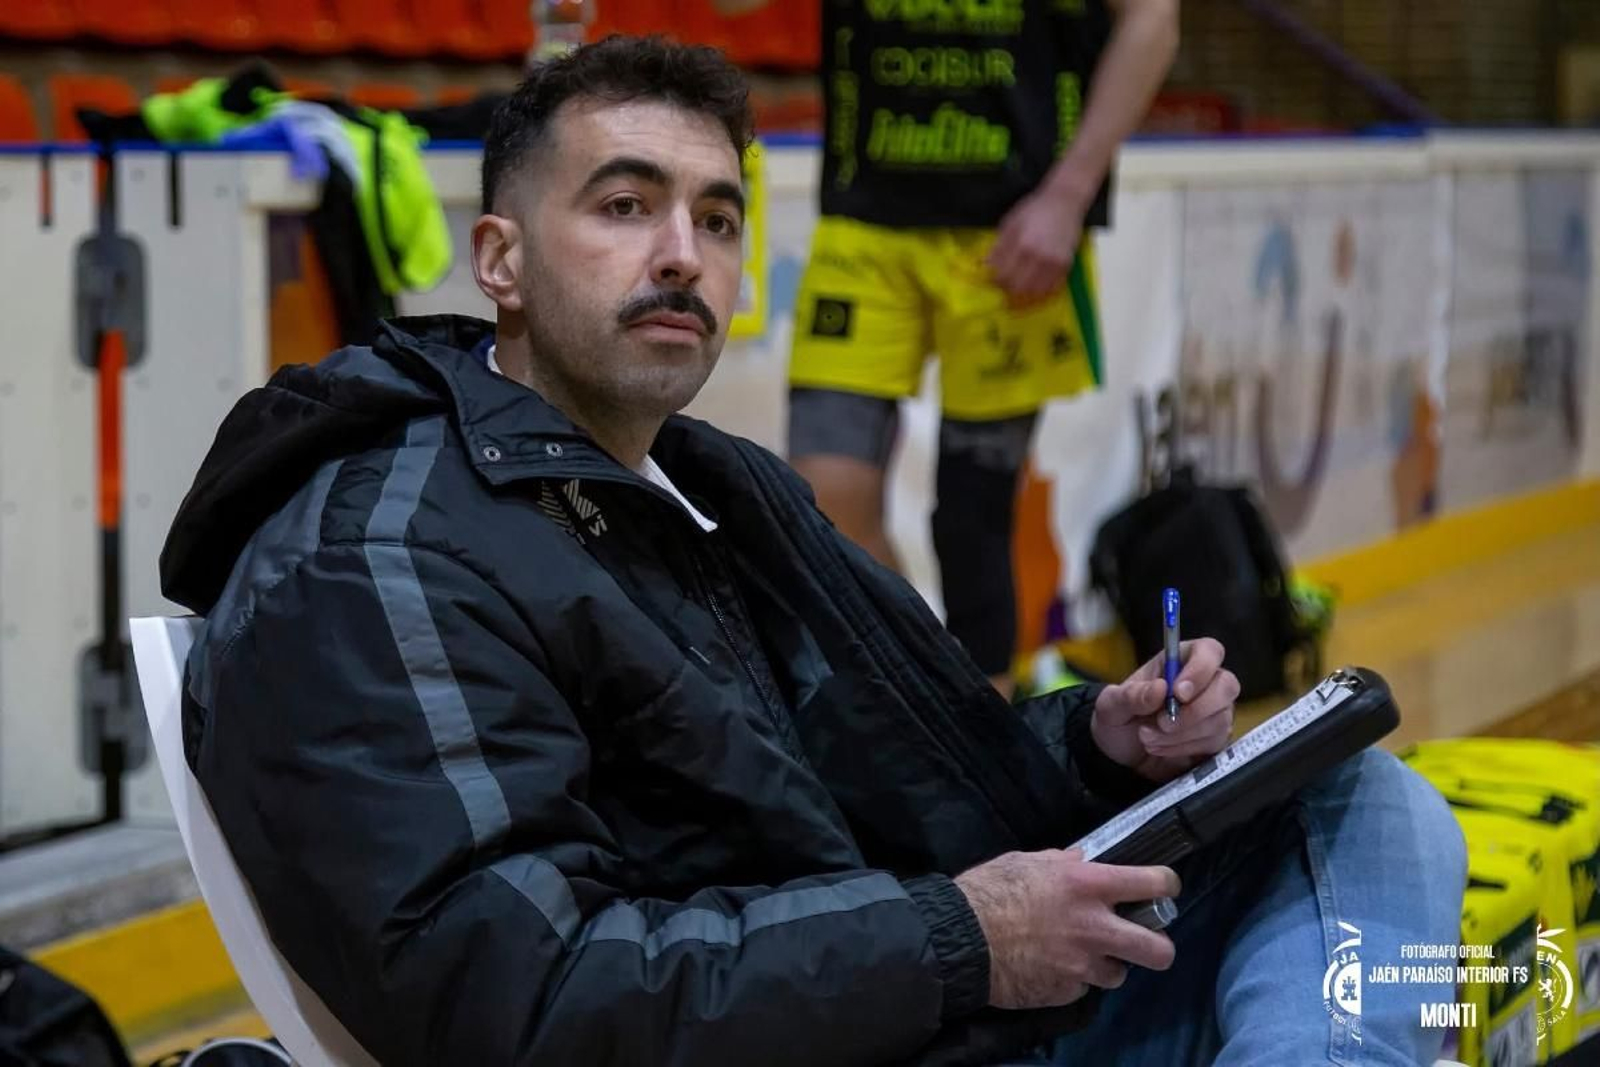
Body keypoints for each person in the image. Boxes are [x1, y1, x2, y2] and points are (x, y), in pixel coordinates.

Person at [160, 37, 1465, 1067]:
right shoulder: (372, 557)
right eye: (625, 205)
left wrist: (1097, 746)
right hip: (874, 1014)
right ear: (497, 258)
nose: (683, 254)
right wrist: (962, 938)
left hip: (895, 1004)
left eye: (719, 219)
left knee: (1357, 796)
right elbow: (526, 993)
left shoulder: (708, 483)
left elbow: (909, 775)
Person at [716, 0, 1177, 696]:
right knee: (824, 500)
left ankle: (985, 739)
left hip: (1013, 227)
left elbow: (1153, 18)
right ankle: (926, 700)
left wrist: (1069, 193)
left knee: (972, 522)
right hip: (865, 223)